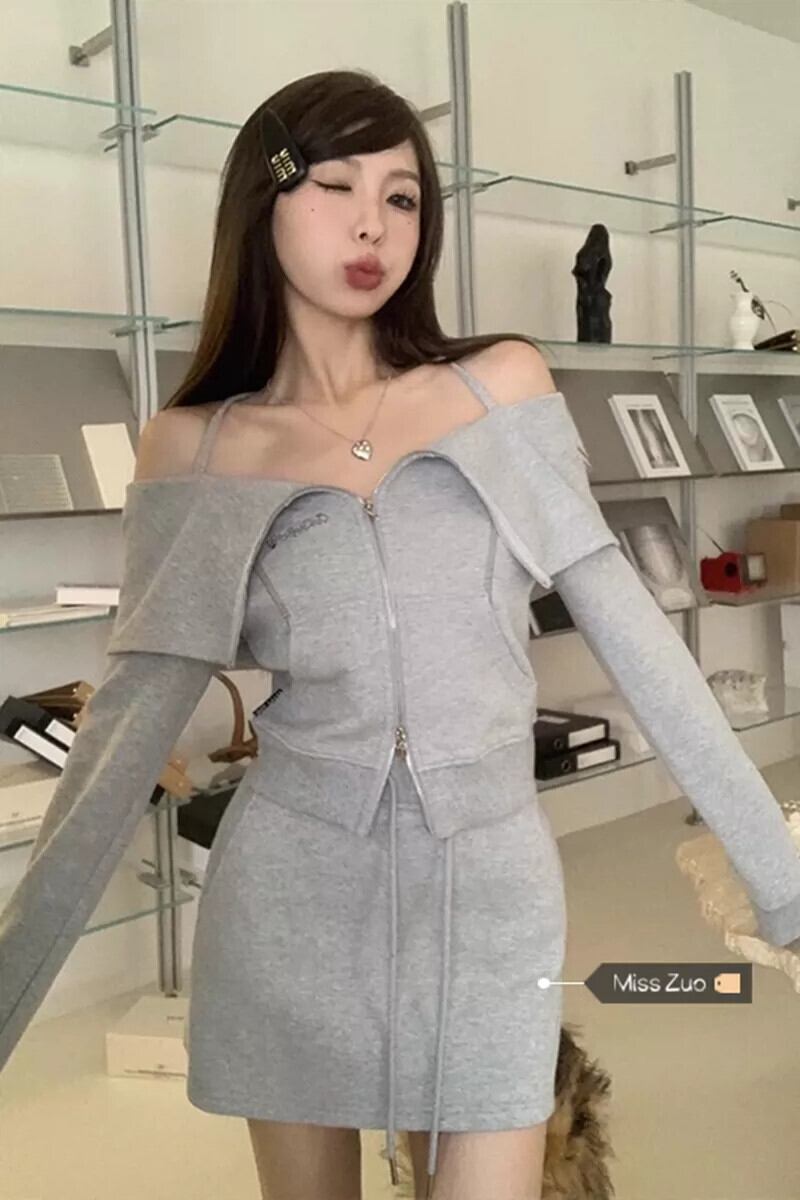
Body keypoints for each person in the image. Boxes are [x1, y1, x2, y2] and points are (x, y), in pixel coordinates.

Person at [2, 68, 800, 1200]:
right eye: (334, 185)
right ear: (263, 203)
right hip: (288, 895)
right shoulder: (197, 447)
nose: (372, 223)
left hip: (488, 888)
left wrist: (784, 888)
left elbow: (640, 642)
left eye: (403, 196)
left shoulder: (497, 389)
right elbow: (129, 730)